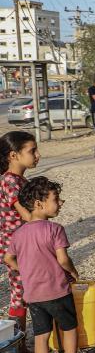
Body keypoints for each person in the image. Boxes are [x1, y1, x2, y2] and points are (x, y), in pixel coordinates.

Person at [5, 177, 92, 353]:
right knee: (69, 328)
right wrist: (73, 271)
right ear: (39, 204)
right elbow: (63, 260)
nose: (60, 202)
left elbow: (8, 258)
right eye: (56, 198)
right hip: (58, 291)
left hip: (33, 295)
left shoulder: (18, 234)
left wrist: (25, 270)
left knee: (41, 336)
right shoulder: (55, 229)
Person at [0, 131, 37, 339]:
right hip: (16, 249)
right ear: (13, 155)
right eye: (32, 151)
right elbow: (28, 216)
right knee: (19, 296)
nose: (38, 155)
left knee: (23, 294)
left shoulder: (18, 179)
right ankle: (17, 347)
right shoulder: (10, 181)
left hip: (23, 245)